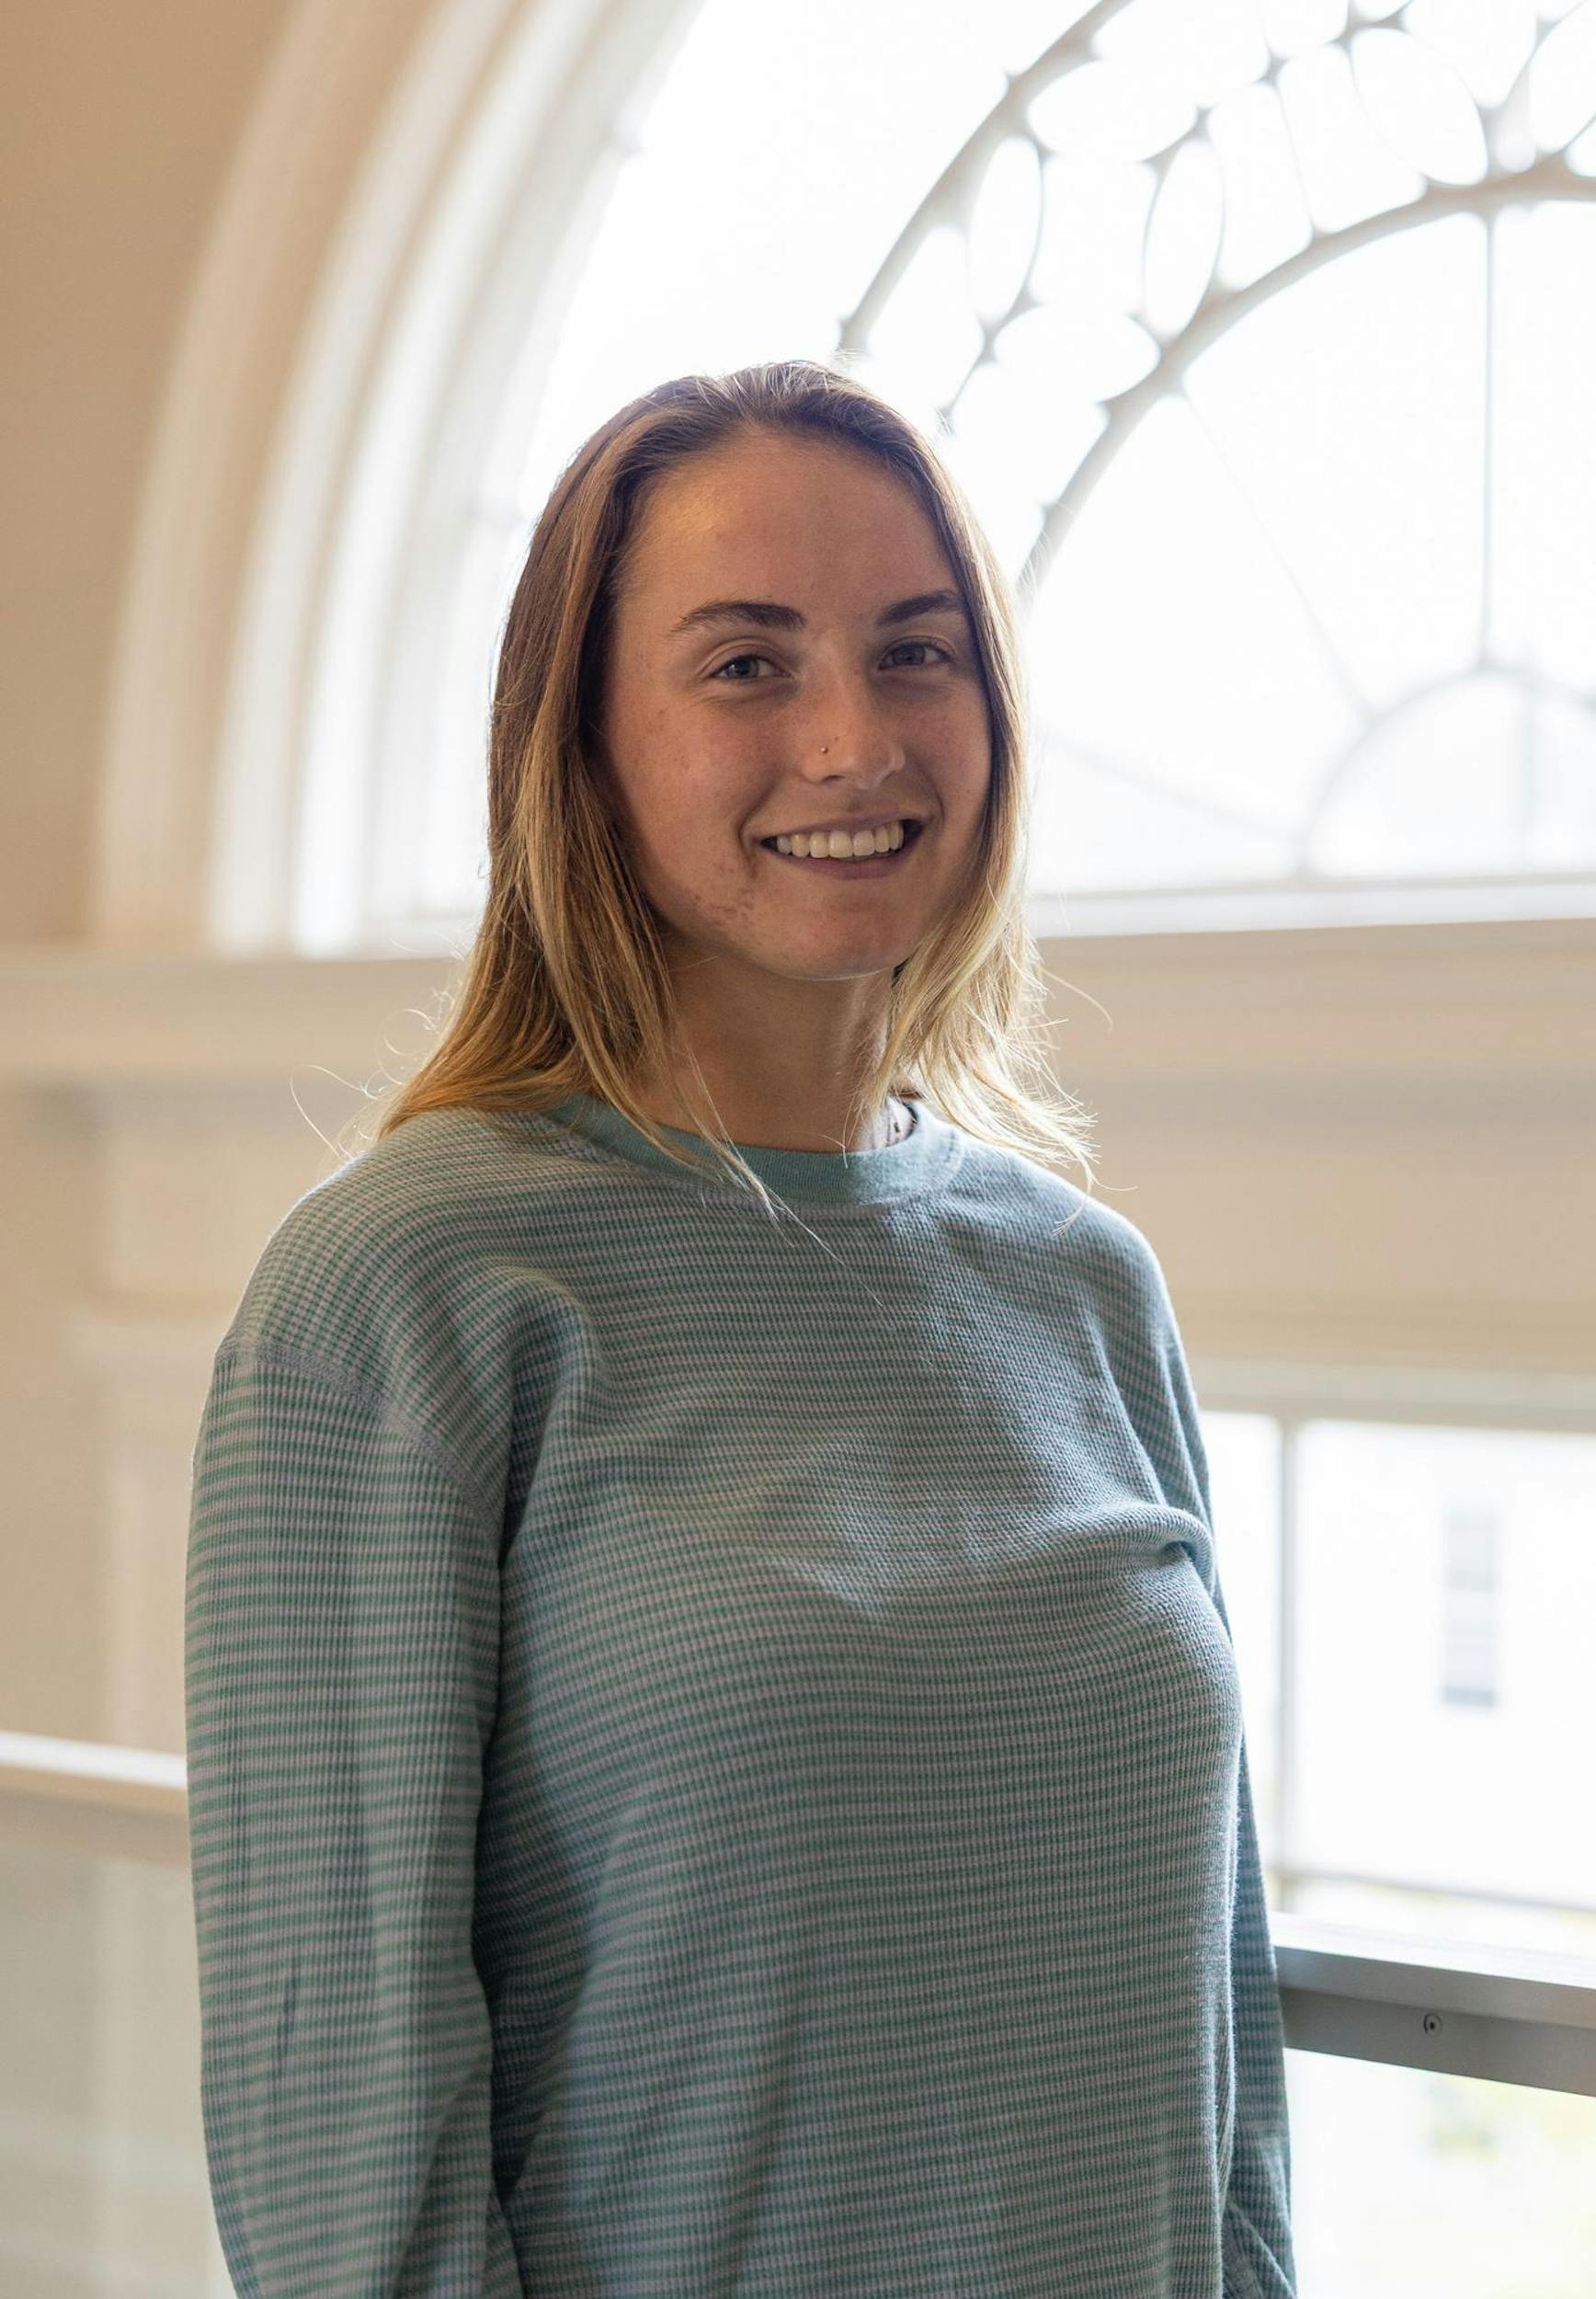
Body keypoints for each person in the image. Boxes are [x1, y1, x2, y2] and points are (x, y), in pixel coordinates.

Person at [184, 358, 1297, 2296]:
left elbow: (1222, 2061)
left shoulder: (1086, 1287)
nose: (854, 738)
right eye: (747, 664)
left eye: (916, 650)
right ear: (582, 742)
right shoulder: (408, 1287)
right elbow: (342, 2137)